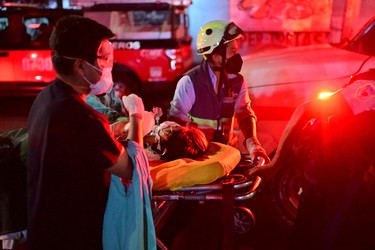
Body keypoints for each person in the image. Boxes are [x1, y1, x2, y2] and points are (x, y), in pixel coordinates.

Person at [27, 15, 155, 250]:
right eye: (101, 59)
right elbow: (130, 168)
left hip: (46, 228)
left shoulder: (47, 97)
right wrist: (136, 115)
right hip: (72, 234)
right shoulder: (78, 114)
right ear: (79, 65)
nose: (106, 66)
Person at [250, 68, 375, 250]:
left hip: (352, 175)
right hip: (329, 175)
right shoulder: (369, 90)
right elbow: (306, 109)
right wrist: (275, 164)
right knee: (315, 238)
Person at [168, 20, 269, 163]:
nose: (237, 56)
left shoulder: (237, 82)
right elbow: (174, 123)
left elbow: (244, 113)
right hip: (197, 158)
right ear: (215, 56)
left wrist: (254, 145)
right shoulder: (190, 82)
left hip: (227, 154)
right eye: (232, 51)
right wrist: (197, 137)